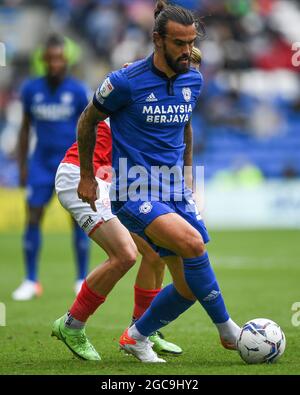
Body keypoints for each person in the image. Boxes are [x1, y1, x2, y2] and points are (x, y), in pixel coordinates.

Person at [74, 0, 240, 363]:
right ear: (157, 40)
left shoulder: (193, 79)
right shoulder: (124, 82)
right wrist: (87, 176)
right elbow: (87, 121)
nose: (187, 51)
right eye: (179, 43)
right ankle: (229, 331)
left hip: (175, 189)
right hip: (133, 190)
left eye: (191, 42)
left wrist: (188, 176)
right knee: (193, 244)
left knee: (187, 287)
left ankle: (136, 336)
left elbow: (186, 127)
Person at [50, 48, 202, 361]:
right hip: (84, 174)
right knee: (125, 254)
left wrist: (186, 182)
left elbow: (184, 135)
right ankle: (72, 324)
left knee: (156, 253)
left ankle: (142, 331)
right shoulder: (138, 87)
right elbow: (94, 114)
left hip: (117, 180)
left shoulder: (172, 103)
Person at [12, 35, 90, 301]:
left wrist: (88, 168)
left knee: (78, 220)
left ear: (66, 60)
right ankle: (30, 280)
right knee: (33, 216)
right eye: (50, 58)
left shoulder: (78, 91)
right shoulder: (31, 90)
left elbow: (87, 130)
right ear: (44, 60)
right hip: (41, 164)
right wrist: (22, 165)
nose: (55, 63)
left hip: (71, 164)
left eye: (59, 58)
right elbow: (24, 129)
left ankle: (81, 279)